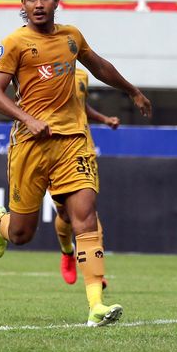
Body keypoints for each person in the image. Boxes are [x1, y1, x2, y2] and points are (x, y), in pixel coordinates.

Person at [0, 0, 152, 327]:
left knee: (85, 216)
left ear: (57, 1)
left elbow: (100, 66)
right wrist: (27, 119)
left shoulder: (72, 37)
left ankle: (96, 305)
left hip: (73, 141)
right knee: (21, 235)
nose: (39, 4)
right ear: (23, 5)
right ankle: (1, 222)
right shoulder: (14, 43)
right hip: (30, 145)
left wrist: (131, 90)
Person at [53, 67, 119, 286]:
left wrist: (104, 119)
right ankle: (66, 252)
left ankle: (95, 274)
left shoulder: (82, 74)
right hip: (52, 150)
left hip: (83, 149)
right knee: (64, 214)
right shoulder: (42, 70)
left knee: (88, 213)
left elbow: (80, 106)